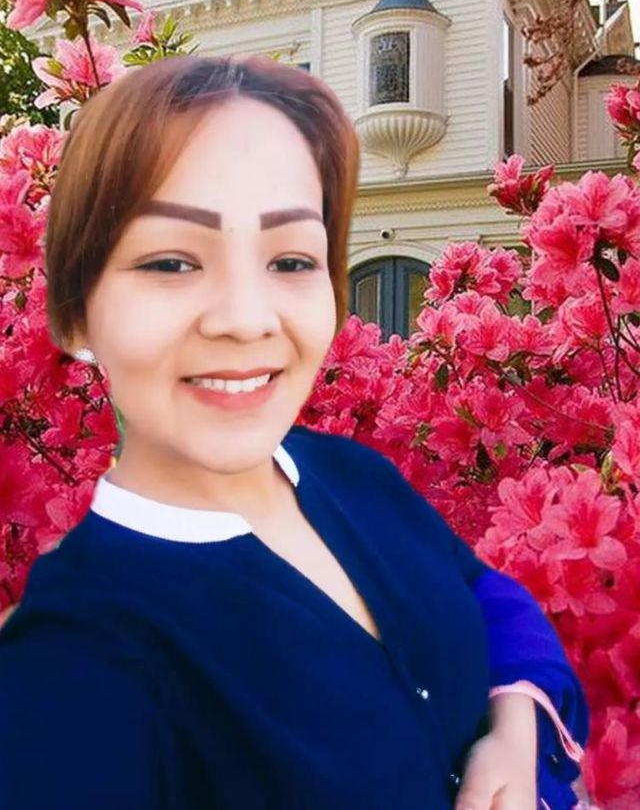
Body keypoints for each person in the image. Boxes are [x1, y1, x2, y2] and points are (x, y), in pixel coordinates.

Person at [0, 54, 588, 810]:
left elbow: (481, 590)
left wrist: (514, 723)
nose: (248, 319)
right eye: (172, 262)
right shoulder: (72, 666)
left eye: (291, 259)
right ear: (75, 314)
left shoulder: (348, 472)